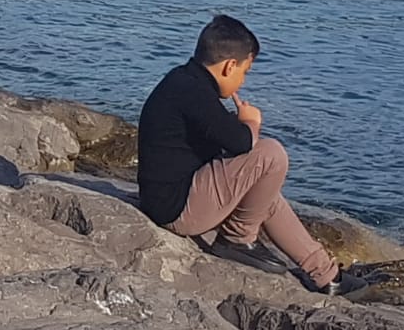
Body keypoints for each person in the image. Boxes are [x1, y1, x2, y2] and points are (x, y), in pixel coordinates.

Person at [136, 15, 369, 298]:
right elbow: (242, 142)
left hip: (175, 196)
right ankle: (237, 239)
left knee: (263, 193)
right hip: (176, 207)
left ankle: (327, 276)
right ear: (229, 66)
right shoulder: (193, 92)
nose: (243, 80)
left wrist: (237, 126)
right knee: (271, 153)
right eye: (244, 72)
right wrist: (250, 123)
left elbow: (221, 142)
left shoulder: (183, 81)